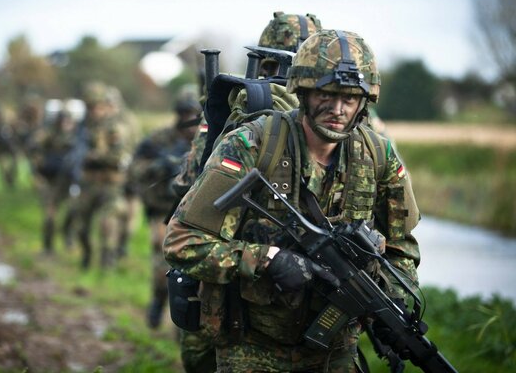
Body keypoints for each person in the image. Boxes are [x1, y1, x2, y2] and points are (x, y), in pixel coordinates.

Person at [164, 29, 420, 372]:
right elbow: (182, 242)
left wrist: (392, 306)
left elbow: (402, 248)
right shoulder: (253, 144)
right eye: (325, 95)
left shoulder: (378, 156)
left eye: (349, 98)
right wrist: (264, 259)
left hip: (335, 347)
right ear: (302, 90)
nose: (337, 109)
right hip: (252, 344)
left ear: (364, 101)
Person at [170, 12, 322, 373]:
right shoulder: (341, 118)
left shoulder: (242, 104)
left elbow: (189, 179)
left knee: (202, 357)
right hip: (242, 270)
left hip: (251, 279)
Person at [128, 85, 202, 329]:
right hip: (163, 210)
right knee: (163, 265)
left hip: (197, 214)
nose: (188, 120)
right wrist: (160, 166)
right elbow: (134, 168)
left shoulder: (210, 139)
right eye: (184, 113)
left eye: (193, 113)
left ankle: (182, 324)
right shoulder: (159, 139)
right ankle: (158, 301)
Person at [76, 81, 139, 269]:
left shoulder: (116, 127)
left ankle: (107, 263)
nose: (93, 110)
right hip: (88, 183)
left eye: (96, 106)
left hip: (111, 184)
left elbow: (120, 156)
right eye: (90, 107)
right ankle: (87, 257)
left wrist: (95, 156)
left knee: (108, 225)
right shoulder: (84, 126)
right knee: (81, 226)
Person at [29, 109, 78, 254]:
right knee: (50, 214)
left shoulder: (79, 137)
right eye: (63, 121)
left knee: (73, 210)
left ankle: (68, 236)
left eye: (69, 121)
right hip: (51, 180)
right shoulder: (48, 134)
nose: (66, 124)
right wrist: (38, 170)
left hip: (69, 181)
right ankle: (48, 247)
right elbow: (33, 148)